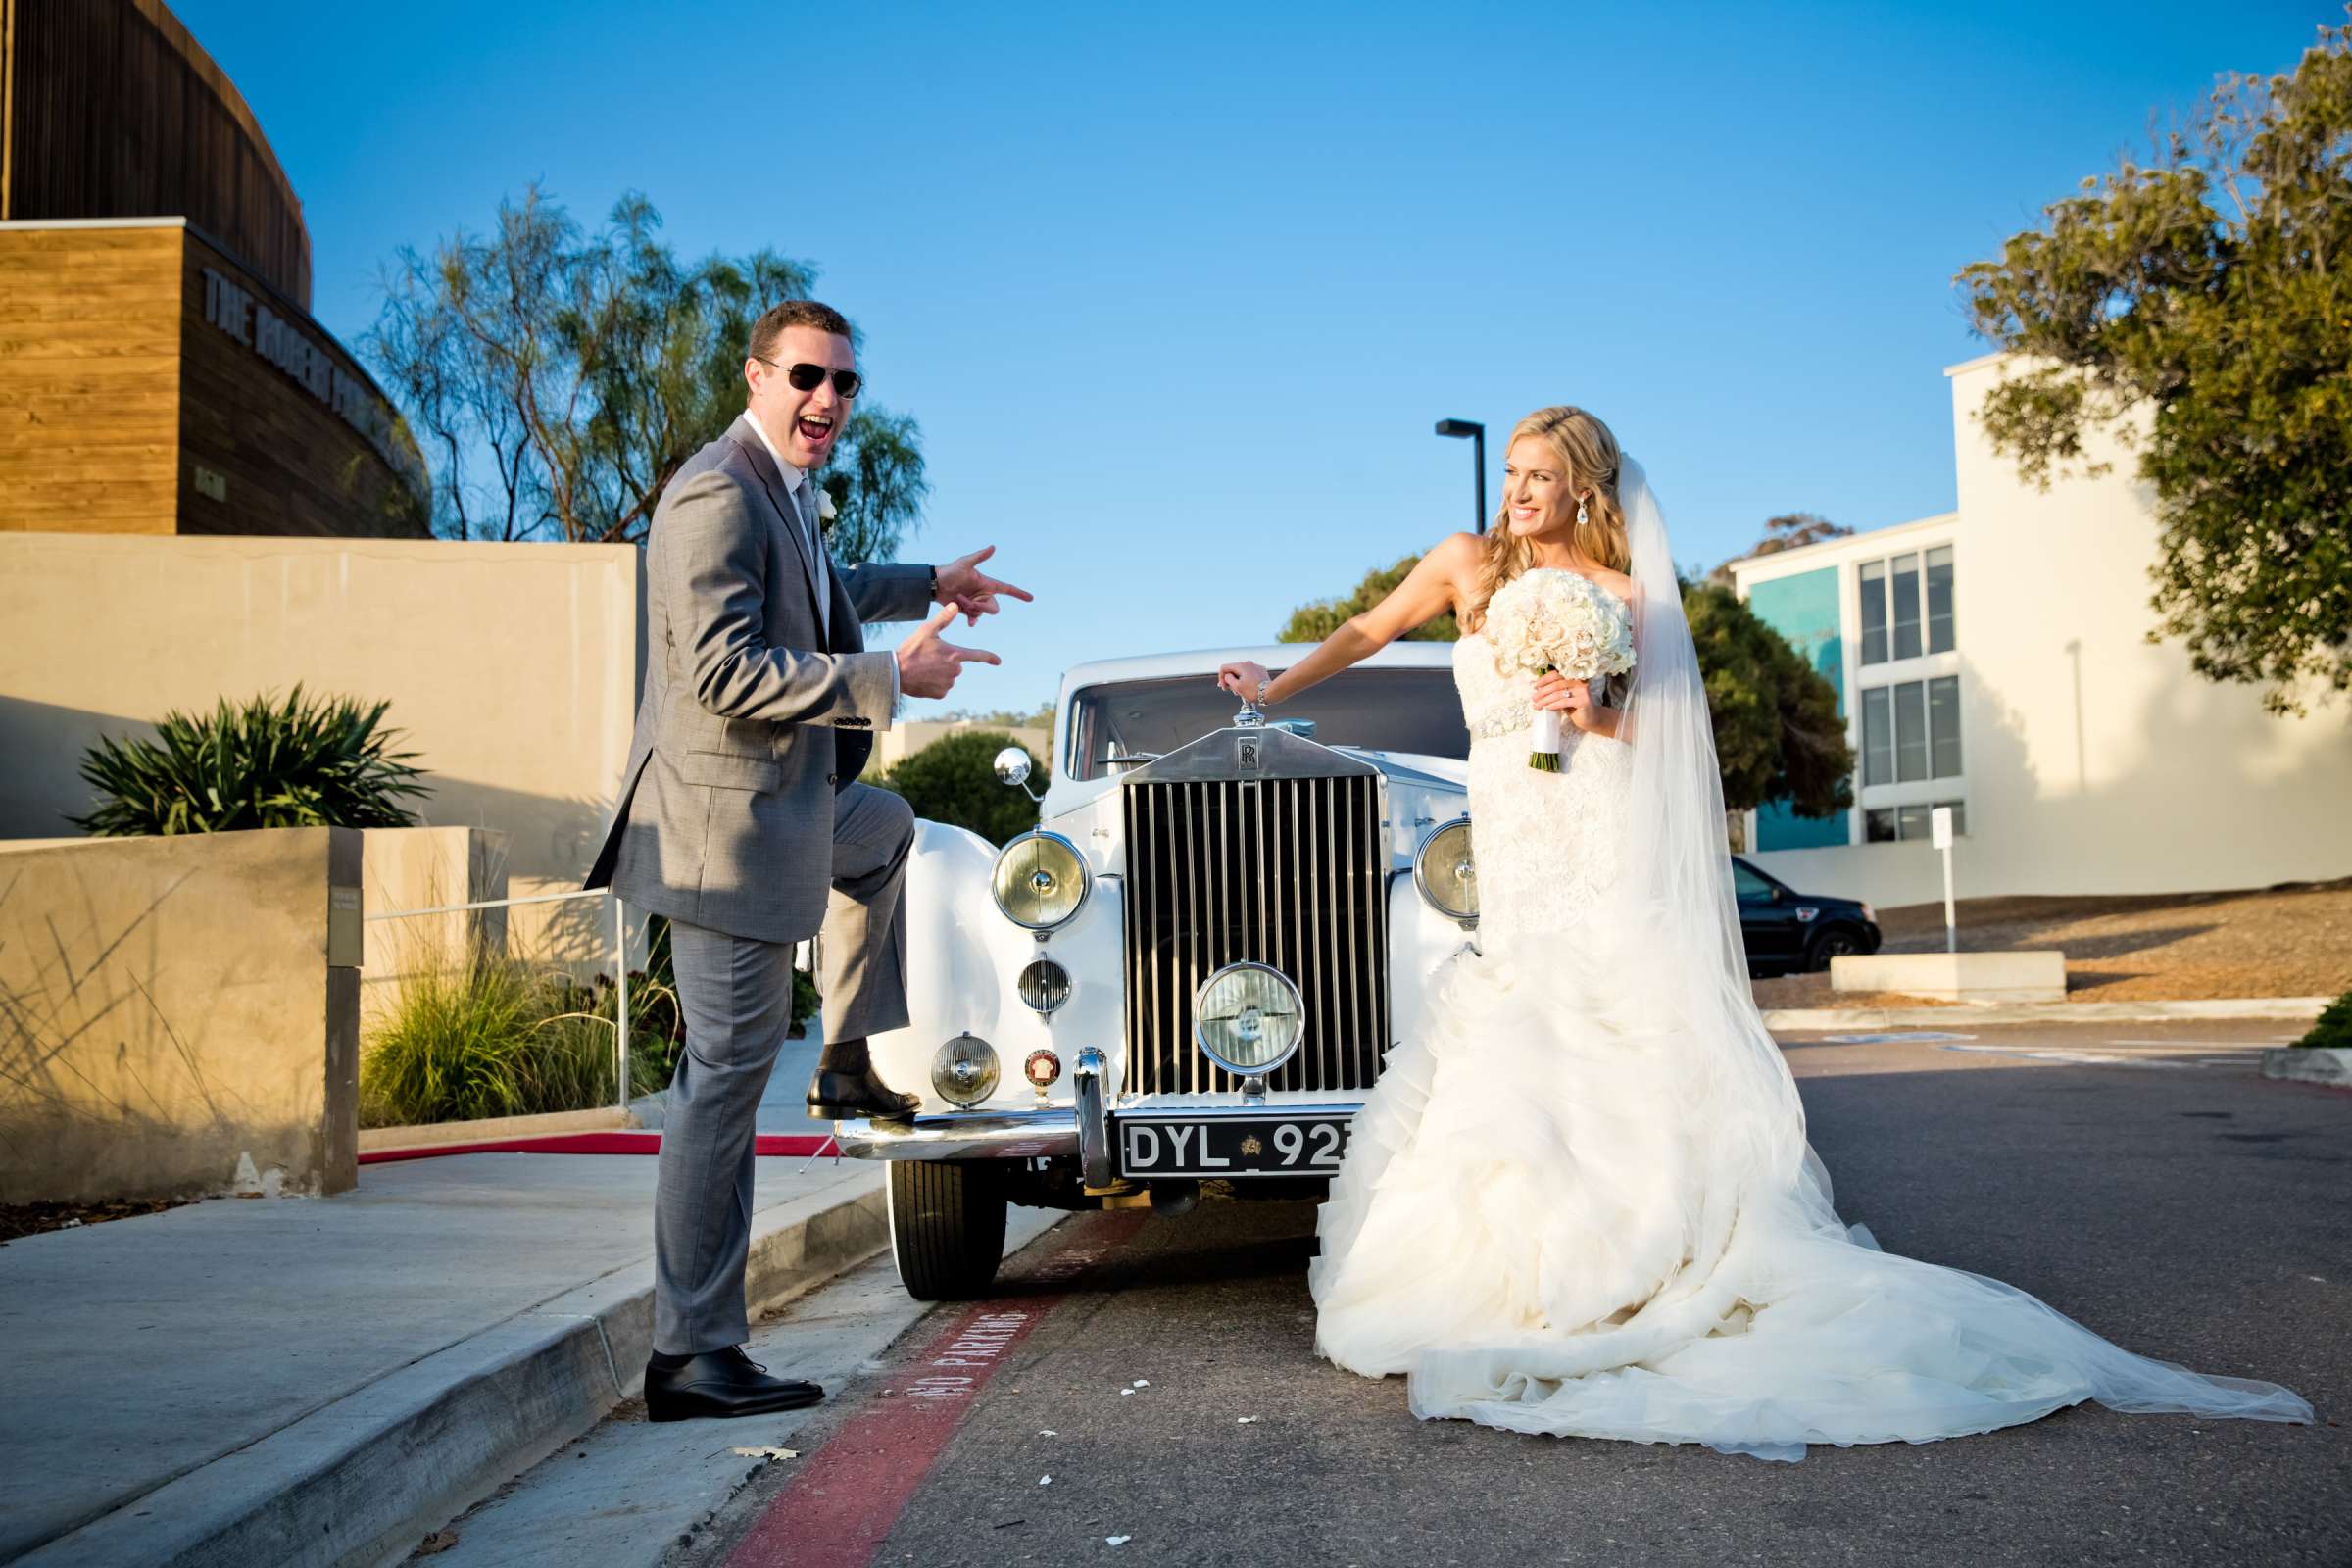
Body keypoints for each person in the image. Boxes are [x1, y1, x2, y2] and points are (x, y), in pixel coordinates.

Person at [1215, 405, 2309, 1460]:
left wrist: (1596, 712)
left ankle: (1636, 1266)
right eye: (1510, 473)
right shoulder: (1465, 562)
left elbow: (1671, 739)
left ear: (1583, 488)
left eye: (1537, 476)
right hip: (1516, 838)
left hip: (1589, 825)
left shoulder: (1625, 595)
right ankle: (1514, 1271)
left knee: (1609, 1024)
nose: (1517, 493)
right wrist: (1277, 679)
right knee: (1517, 1036)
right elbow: (1368, 628)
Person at [584, 299, 1029, 1421]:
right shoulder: (710, 495)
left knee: (884, 828)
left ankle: (844, 1052)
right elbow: (727, 675)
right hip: (721, 834)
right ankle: (691, 1352)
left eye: (845, 385)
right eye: (807, 378)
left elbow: (824, 584)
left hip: (794, 804)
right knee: (721, 1083)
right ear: (756, 376)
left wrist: (929, 580)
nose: (827, 400)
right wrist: (888, 676)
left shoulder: (784, 490)